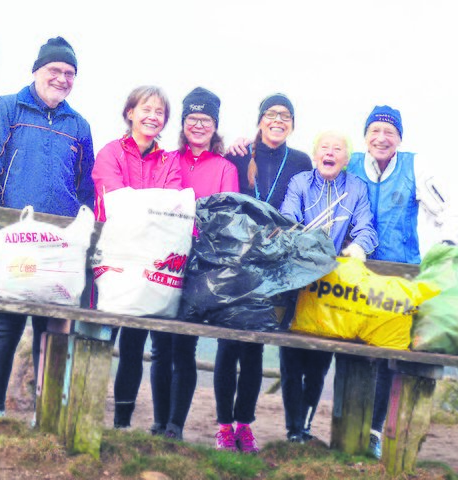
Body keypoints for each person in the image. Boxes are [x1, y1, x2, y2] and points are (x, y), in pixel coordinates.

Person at [0, 36, 95, 419]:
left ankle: (43, 413)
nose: (62, 78)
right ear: (37, 70)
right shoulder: (6, 109)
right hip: (13, 236)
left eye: (70, 73)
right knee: (8, 323)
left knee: (49, 326)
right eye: (55, 70)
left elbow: (85, 185)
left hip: (58, 240)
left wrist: (81, 227)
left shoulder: (79, 125)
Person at [346, 105, 458, 458]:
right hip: (353, 271)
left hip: (399, 275)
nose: (381, 138)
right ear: (365, 136)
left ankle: (374, 431)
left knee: (386, 357)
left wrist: (444, 252)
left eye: (389, 132)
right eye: (374, 131)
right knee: (351, 351)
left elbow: (448, 214)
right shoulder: (350, 164)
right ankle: (348, 429)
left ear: (399, 138)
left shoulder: (415, 168)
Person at [216, 93, 312, 452]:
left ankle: (245, 426)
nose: (278, 120)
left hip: (273, 268)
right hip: (236, 264)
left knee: (254, 349)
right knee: (228, 345)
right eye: (271, 114)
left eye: (285, 115)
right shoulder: (240, 155)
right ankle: (225, 427)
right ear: (259, 119)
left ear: (292, 124)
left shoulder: (301, 161)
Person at [148, 87, 239, 440]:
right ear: (183, 123)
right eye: (191, 118)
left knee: (183, 347)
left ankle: (175, 426)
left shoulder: (225, 168)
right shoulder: (167, 159)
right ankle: (157, 423)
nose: (198, 125)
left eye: (205, 120)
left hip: (201, 266)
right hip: (163, 262)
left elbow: (226, 217)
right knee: (160, 347)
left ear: (215, 126)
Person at [91, 85, 182, 431]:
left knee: (133, 345)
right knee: (101, 339)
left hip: (148, 264)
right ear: (130, 112)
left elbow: (171, 205)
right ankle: (86, 414)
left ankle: (121, 424)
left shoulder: (169, 160)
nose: (152, 116)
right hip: (111, 260)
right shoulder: (111, 152)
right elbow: (112, 198)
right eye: (146, 109)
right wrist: (147, 211)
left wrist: (146, 212)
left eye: (159, 112)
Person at [279, 131, 378, 443]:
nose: (330, 152)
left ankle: (305, 426)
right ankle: (293, 429)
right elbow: (287, 218)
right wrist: (306, 245)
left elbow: (366, 228)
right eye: (325, 147)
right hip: (296, 277)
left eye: (338, 149)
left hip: (331, 285)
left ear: (347, 160)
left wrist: (360, 246)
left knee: (319, 363)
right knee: (291, 359)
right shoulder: (299, 183)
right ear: (315, 154)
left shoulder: (356, 188)